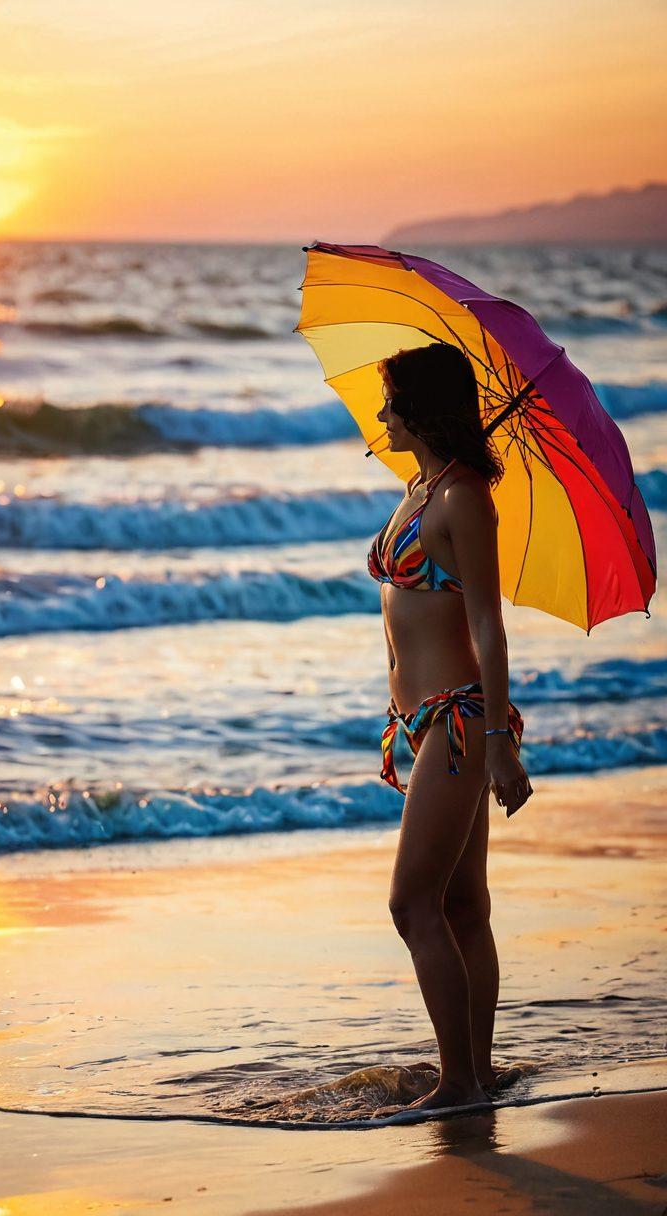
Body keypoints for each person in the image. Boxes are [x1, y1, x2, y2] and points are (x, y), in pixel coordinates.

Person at [367, 341, 533, 1113]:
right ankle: (477, 1071)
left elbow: (487, 627)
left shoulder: (465, 497)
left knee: (413, 904)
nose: (381, 414)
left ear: (423, 408)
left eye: (391, 401)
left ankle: (459, 1081)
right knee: (463, 905)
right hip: (427, 719)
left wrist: (500, 745)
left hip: (464, 722)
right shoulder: (421, 485)